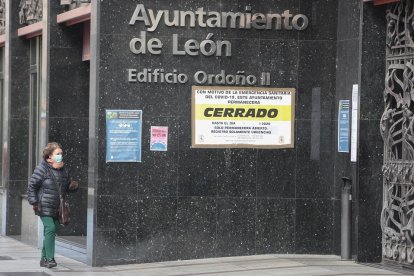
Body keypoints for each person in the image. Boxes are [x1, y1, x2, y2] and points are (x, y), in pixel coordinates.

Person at [27, 142, 78, 268]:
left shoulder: (64, 169)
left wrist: (73, 186)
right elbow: (32, 186)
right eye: (57, 154)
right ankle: (50, 258)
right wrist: (34, 202)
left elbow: (66, 187)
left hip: (57, 207)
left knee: (51, 230)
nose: (60, 156)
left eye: (61, 153)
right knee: (50, 228)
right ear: (49, 157)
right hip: (43, 205)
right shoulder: (42, 169)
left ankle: (43, 259)